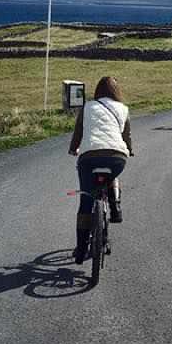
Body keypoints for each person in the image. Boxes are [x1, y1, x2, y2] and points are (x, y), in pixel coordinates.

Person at [68, 76, 132, 265]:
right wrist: (130, 149)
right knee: (112, 174)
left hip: (88, 157)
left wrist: (73, 149)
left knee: (86, 201)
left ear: (97, 91)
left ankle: (80, 250)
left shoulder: (87, 106)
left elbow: (78, 132)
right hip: (117, 157)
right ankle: (115, 207)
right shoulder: (123, 109)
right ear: (116, 91)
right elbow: (126, 135)